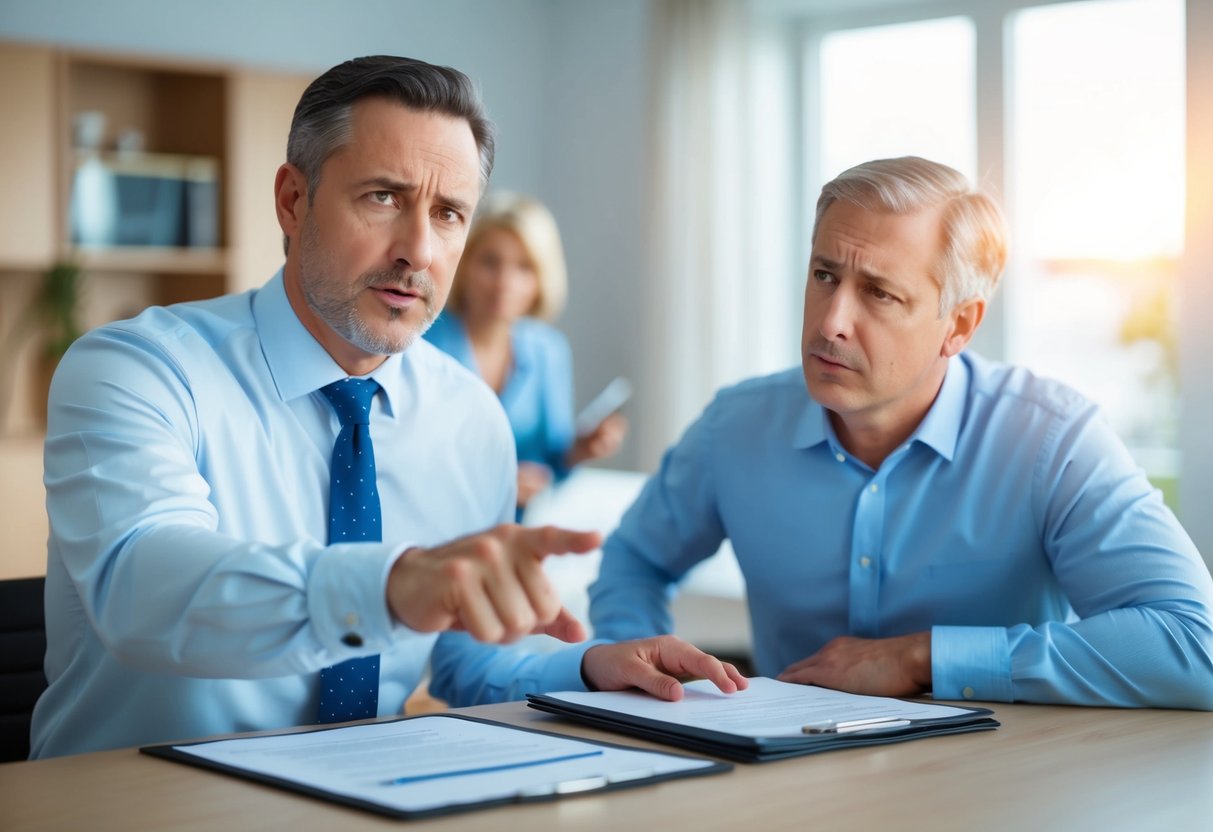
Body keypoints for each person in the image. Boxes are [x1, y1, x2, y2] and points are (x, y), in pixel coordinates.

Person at [30, 55, 744, 760]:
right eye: (383, 198)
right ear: (291, 199)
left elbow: (464, 665)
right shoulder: (137, 369)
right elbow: (145, 588)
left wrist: (584, 667)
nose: (419, 251)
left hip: (367, 801)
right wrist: (390, 586)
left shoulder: (469, 417)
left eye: (448, 213)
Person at [589, 156, 1213, 710]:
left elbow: (1194, 644)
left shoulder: (1051, 442)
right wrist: (657, 685)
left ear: (958, 326)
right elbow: (634, 561)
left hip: (1003, 787)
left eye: (880, 294)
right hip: (794, 783)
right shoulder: (736, 427)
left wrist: (922, 658)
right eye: (825, 275)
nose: (831, 322)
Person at [425, 193, 626, 510]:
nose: (504, 283)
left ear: (542, 278)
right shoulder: (425, 340)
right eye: (490, 262)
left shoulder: (548, 350)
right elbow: (411, 456)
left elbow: (552, 464)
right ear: (464, 263)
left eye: (524, 267)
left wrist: (580, 451)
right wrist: (494, 485)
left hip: (516, 526)